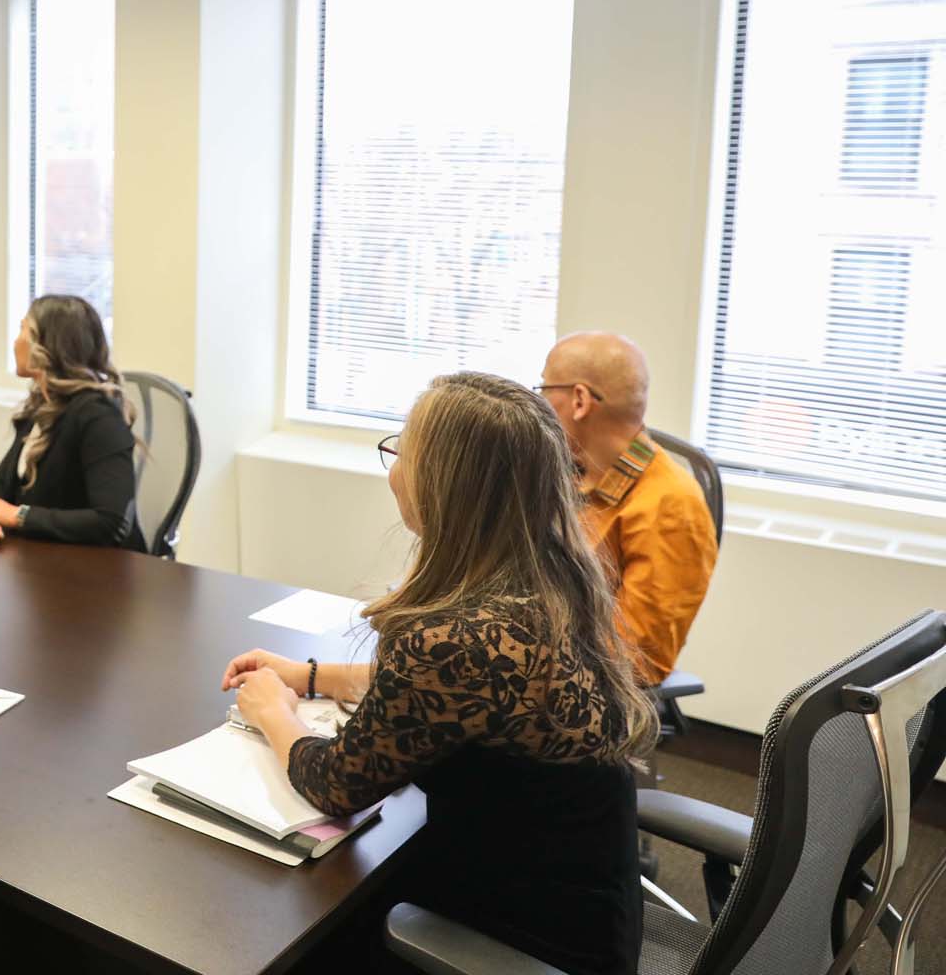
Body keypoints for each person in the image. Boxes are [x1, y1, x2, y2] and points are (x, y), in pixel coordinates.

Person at [224, 372, 654, 975]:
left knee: (273, 937)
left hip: (517, 943)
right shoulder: (549, 577)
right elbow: (451, 696)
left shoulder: (453, 641)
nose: (394, 470)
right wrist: (311, 675)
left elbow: (336, 786)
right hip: (587, 915)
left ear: (443, 485)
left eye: (402, 451)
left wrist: (272, 709)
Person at [539, 331, 718, 684]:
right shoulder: (570, 473)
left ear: (579, 400)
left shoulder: (670, 503)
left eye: (544, 390)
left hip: (589, 686)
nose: (539, 404)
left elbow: (637, 657)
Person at [0, 295, 144, 550]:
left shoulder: (99, 417)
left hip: (101, 573)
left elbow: (111, 522)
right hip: (46, 559)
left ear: (46, 345)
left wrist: (16, 515)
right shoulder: (42, 405)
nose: (15, 342)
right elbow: (4, 481)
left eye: (22, 330)